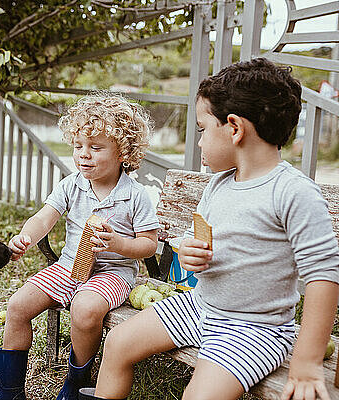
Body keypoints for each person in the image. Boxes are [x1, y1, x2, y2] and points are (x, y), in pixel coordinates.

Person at [78, 58, 339, 400]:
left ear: (234, 128)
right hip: (200, 306)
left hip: (252, 328)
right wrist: (188, 252)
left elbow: (324, 276)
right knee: (118, 342)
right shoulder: (218, 185)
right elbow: (193, 240)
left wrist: (307, 360)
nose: (199, 143)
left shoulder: (292, 192)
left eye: (202, 130)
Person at [0, 94, 160, 400]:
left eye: (96, 147)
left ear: (123, 152)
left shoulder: (135, 195)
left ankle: (76, 385)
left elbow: (148, 245)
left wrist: (118, 243)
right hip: (68, 267)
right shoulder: (71, 184)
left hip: (112, 273)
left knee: (85, 308)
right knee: (17, 307)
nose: (84, 155)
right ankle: (8, 390)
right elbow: (44, 217)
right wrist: (26, 237)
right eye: (78, 146)